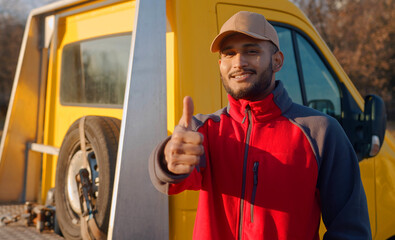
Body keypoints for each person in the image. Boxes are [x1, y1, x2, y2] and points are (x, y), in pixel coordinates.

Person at [149, 11, 371, 239]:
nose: (238, 62)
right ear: (220, 64)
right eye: (229, 54)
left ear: (277, 61)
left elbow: (350, 229)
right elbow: (172, 181)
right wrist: (169, 159)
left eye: (251, 51)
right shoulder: (204, 130)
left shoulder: (320, 132)